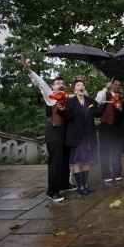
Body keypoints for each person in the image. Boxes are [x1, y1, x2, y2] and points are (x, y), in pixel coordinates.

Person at [22, 58, 74, 202]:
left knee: (64, 160)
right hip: (53, 131)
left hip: (64, 132)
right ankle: (52, 191)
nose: (61, 85)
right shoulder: (49, 95)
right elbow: (40, 82)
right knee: (56, 161)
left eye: (62, 83)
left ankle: (64, 184)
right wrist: (29, 70)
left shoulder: (66, 98)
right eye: (58, 83)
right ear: (52, 86)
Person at [65, 79, 101, 195]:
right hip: (76, 137)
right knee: (77, 162)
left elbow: (98, 112)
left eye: (83, 85)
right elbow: (67, 116)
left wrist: (94, 109)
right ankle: (79, 186)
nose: (81, 86)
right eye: (78, 85)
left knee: (86, 161)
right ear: (74, 89)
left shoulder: (90, 100)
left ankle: (85, 185)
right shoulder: (70, 101)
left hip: (88, 136)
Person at [95, 78, 123, 183]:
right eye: (115, 84)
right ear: (111, 84)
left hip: (116, 127)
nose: (117, 86)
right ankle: (106, 174)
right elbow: (97, 101)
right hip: (105, 126)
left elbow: (122, 113)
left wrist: (120, 109)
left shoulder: (120, 97)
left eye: (118, 85)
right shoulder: (103, 94)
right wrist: (105, 88)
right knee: (104, 151)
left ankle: (117, 172)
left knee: (116, 150)